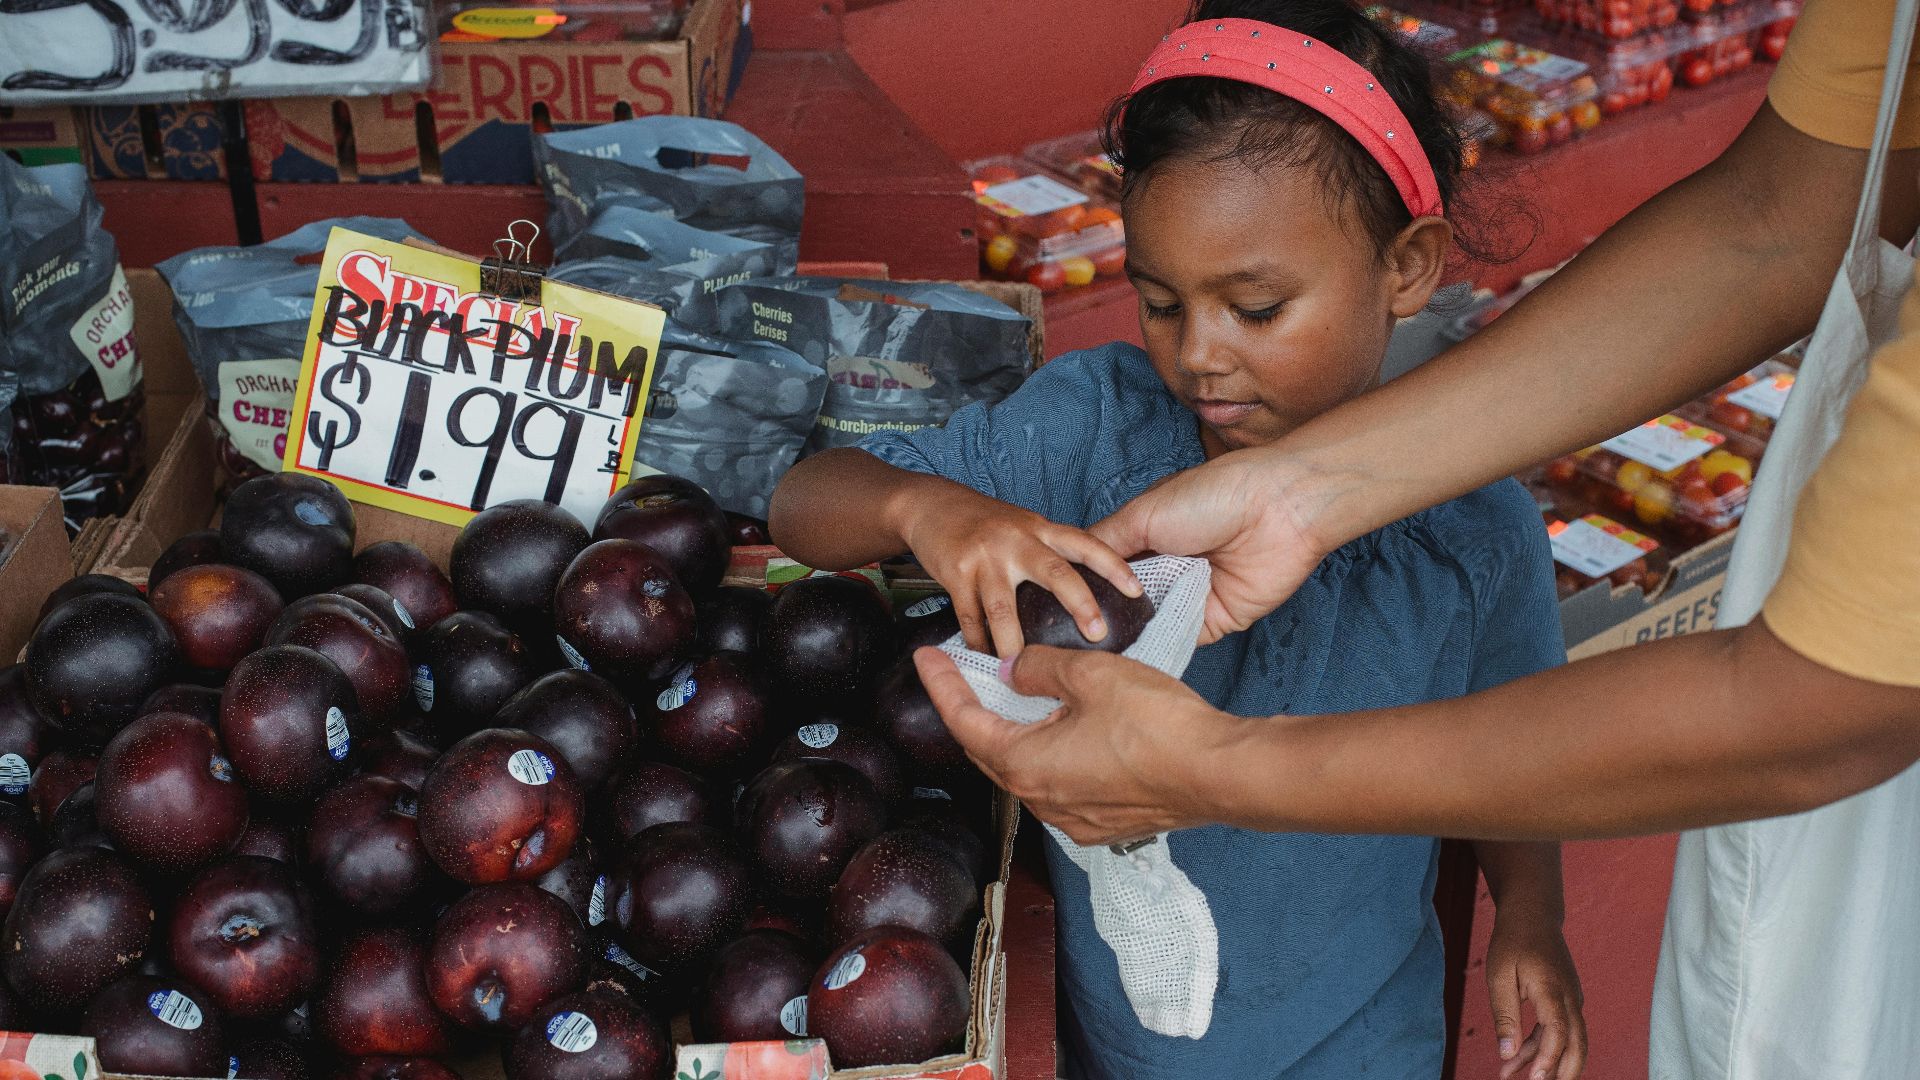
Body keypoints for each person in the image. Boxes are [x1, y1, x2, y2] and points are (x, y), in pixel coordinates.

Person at [771, 3, 1587, 1077]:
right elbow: (804, 503)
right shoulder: (1094, 431)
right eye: (1159, 303)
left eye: (1257, 308)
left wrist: (1531, 914)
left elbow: (1517, 752)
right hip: (1111, 1046)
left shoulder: (1473, 531)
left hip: (1364, 1046)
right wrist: (924, 509)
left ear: (1407, 266)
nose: (1199, 354)